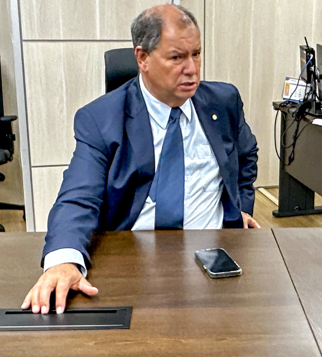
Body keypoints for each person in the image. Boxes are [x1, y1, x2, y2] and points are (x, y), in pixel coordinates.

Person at [22, 4, 259, 315]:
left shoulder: (223, 102)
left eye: (196, 54)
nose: (192, 69)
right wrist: (63, 260)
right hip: (134, 258)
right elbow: (78, 197)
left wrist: (239, 207)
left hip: (212, 260)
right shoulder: (101, 118)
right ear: (142, 58)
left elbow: (245, 156)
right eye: (177, 57)